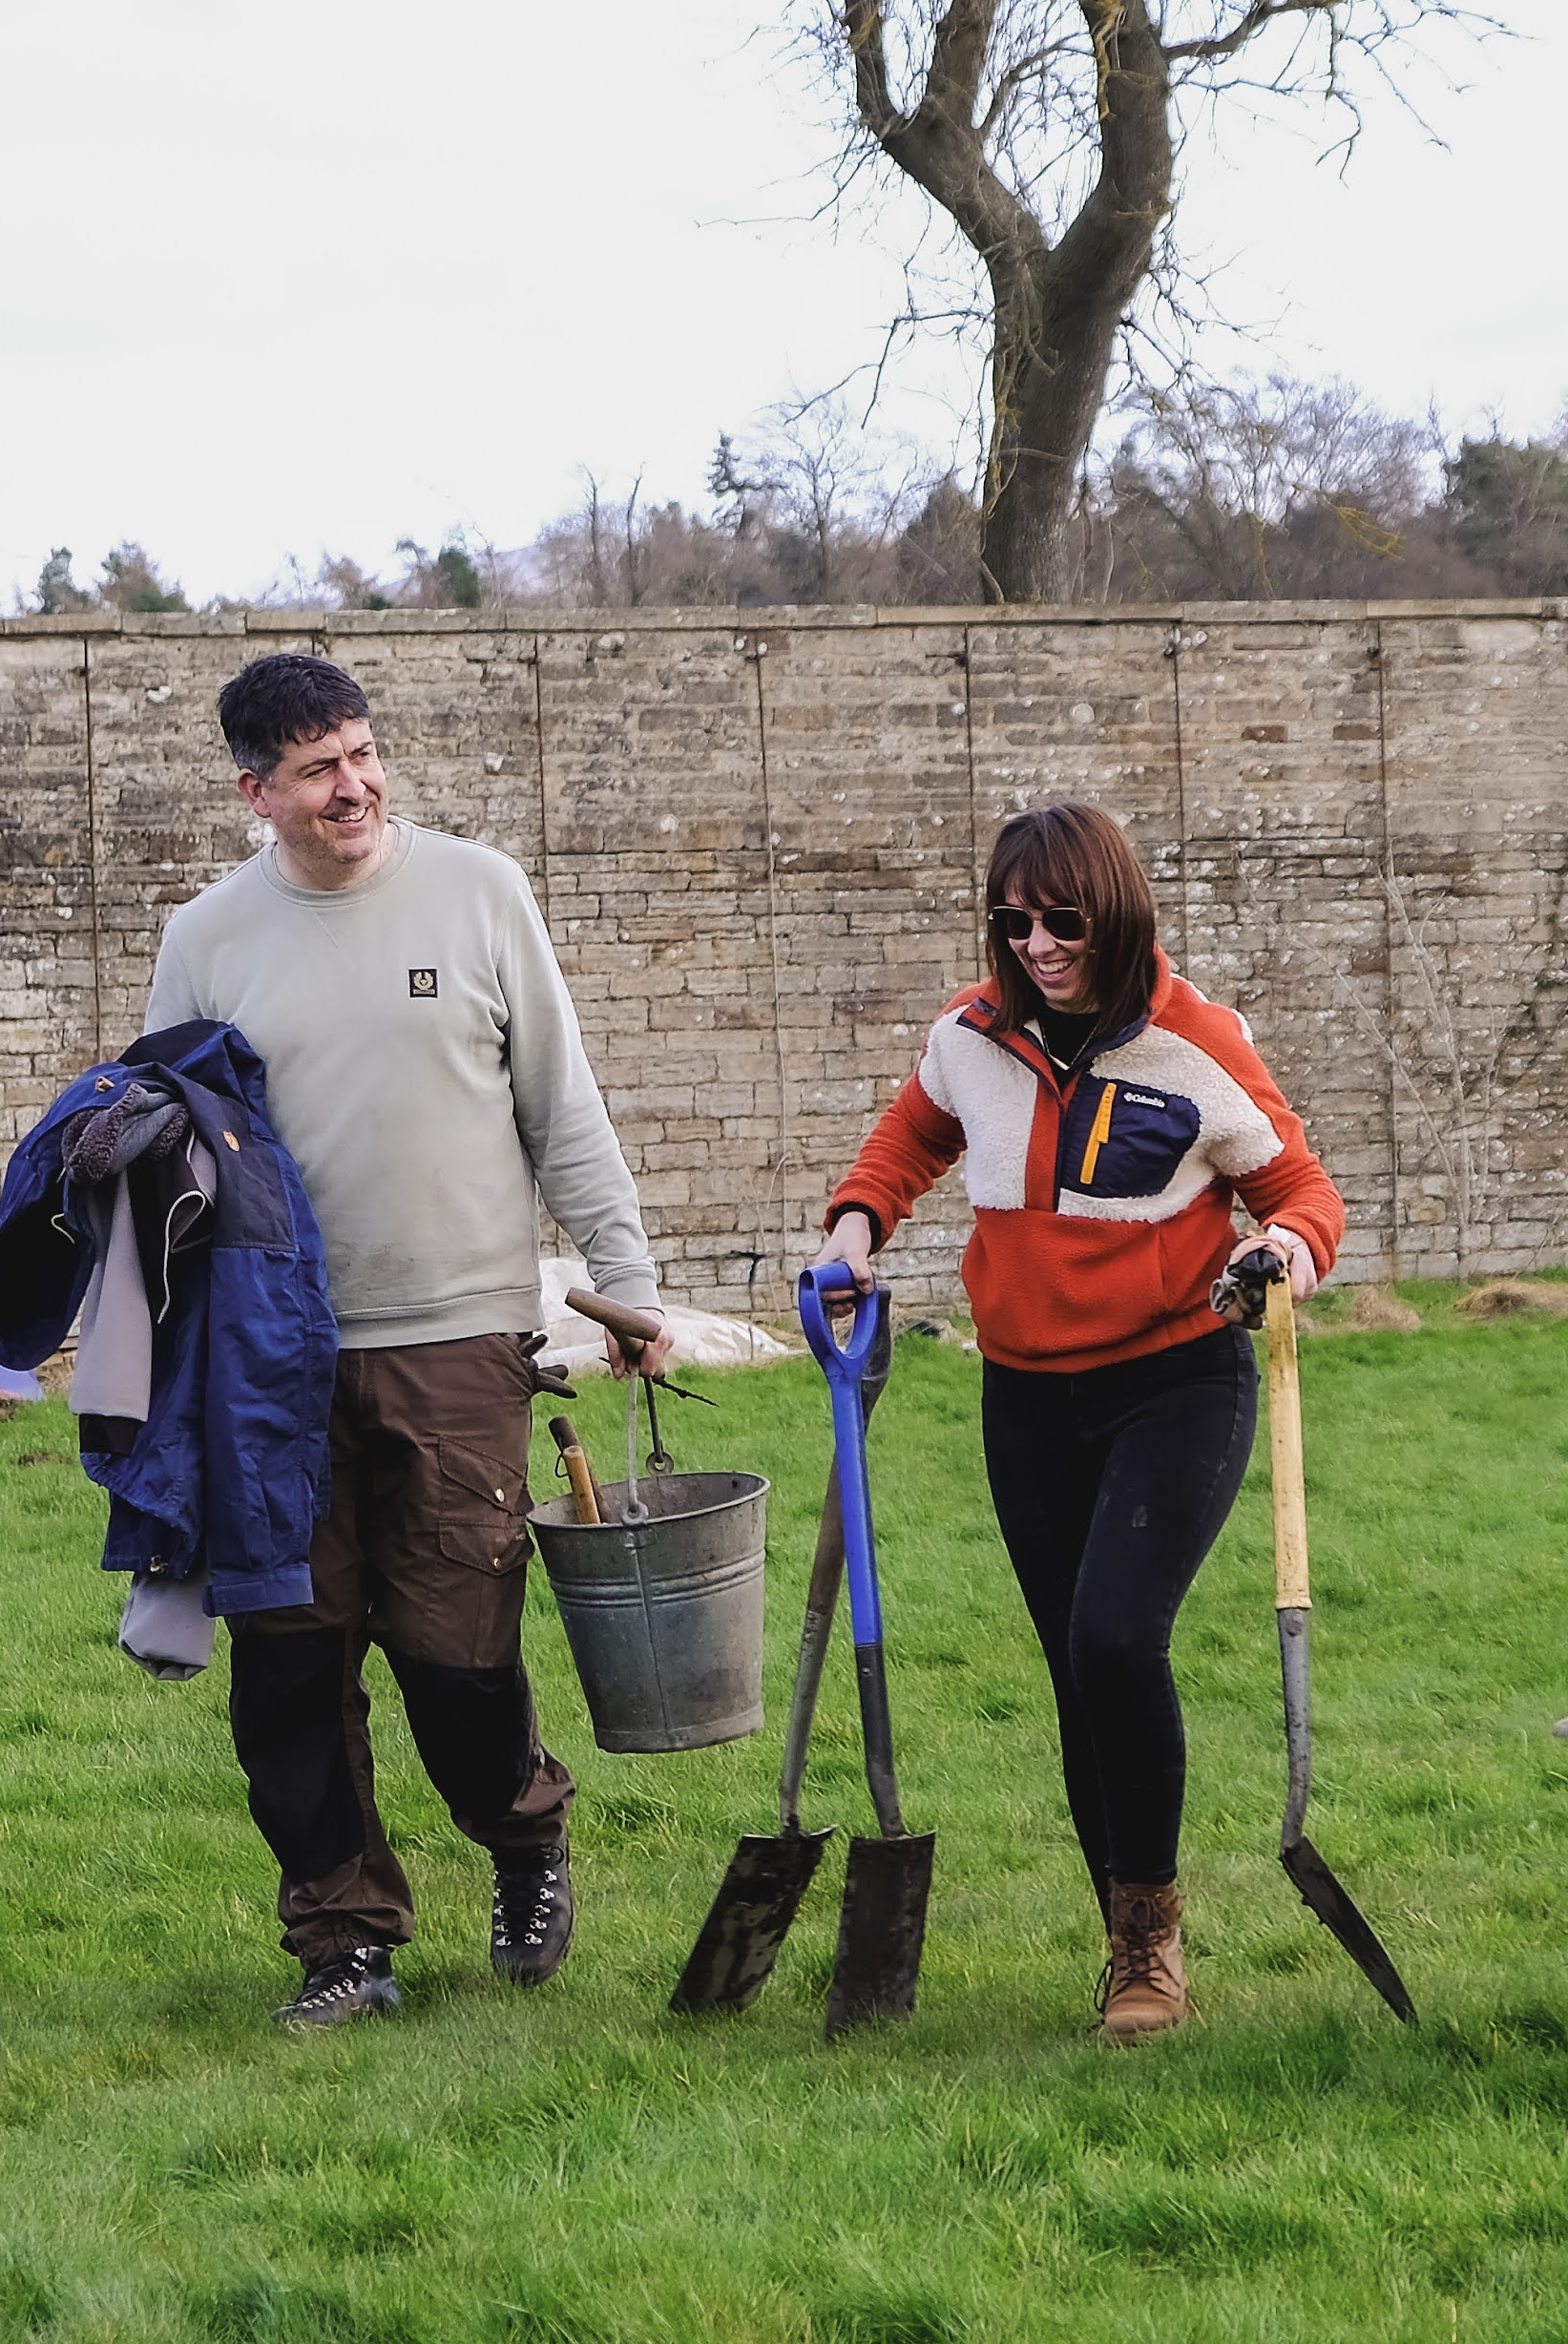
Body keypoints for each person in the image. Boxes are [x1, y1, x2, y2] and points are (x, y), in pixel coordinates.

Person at [142, 651, 674, 2028]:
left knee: (456, 1644)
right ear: (254, 792)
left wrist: (627, 1282)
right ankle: (344, 1941)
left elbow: (562, 1107)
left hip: (456, 1336)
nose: (354, 785)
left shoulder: (480, 892)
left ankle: (522, 1838)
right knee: (290, 1663)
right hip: (272, 1362)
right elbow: (169, 1161)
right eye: (317, 768)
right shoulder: (206, 940)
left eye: (363, 754)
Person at [807, 802, 1348, 2042]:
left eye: (1061, 920)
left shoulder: (1195, 1041)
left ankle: (1154, 1941)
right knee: (1071, 1669)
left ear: (1113, 911)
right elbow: (910, 1137)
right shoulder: (971, 1035)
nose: (1038, 945)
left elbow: (1301, 1190)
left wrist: (1283, 1251)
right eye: (1014, 923)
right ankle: (1124, 1936)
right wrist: (854, 1229)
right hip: (1026, 1394)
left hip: (1176, 1381)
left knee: (1113, 1636)